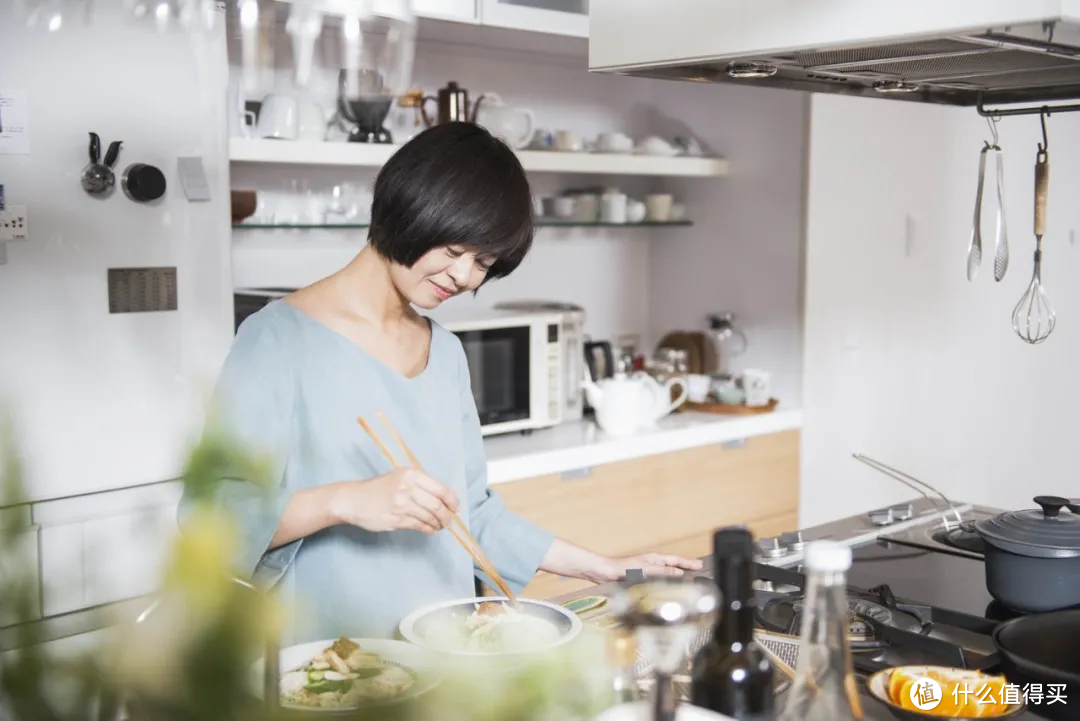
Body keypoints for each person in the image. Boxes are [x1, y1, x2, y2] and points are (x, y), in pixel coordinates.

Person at [187, 122, 701, 643]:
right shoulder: (278, 338)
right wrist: (343, 500)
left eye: (484, 262)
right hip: (334, 657)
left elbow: (472, 514)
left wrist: (600, 567)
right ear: (408, 207)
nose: (466, 277)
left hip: (447, 653)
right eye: (457, 250)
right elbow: (212, 520)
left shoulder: (446, 351)